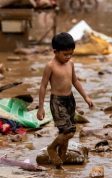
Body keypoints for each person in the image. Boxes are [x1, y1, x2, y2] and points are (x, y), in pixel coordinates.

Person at [37, 32, 93, 169]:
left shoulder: (71, 64)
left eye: (70, 54)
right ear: (55, 51)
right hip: (57, 101)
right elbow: (43, 86)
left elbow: (75, 81)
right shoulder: (50, 66)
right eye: (65, 54)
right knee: (69, 131)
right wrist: (40, 107)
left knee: (65, 133)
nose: (68, 57)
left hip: (70, 100)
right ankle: (51, 149)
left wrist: (86, 97)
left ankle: (60, 162)